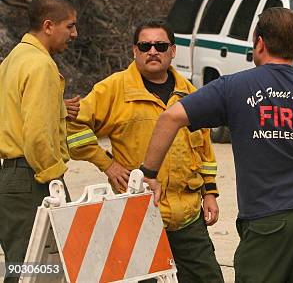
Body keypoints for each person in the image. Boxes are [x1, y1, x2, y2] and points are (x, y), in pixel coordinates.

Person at [140, 7, 293, 283]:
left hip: (268, 219)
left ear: (259, 42)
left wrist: (150, 174)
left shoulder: (233, 87)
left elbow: (170, 118)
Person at [66, 19, 223, 283]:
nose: (153, 51)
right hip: (138, 215)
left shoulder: (189, 93)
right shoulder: (114, 89)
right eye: (145, 45)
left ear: (173, 51)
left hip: (187, 217)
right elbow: (74, 125)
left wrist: (210, 193)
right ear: (134, 51)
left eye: (160, 45)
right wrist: (107, 165)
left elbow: (204, 148)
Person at [0, 0, 78, 282]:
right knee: (31, 273)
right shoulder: (42, 65)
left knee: (25, 267)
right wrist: (56, 178)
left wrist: (58, 106)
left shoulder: (13, 59)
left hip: (12, 177)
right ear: (48, 26)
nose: (74, 33)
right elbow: (36, 137)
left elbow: (14, 114)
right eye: (69, 26)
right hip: (33, 177)